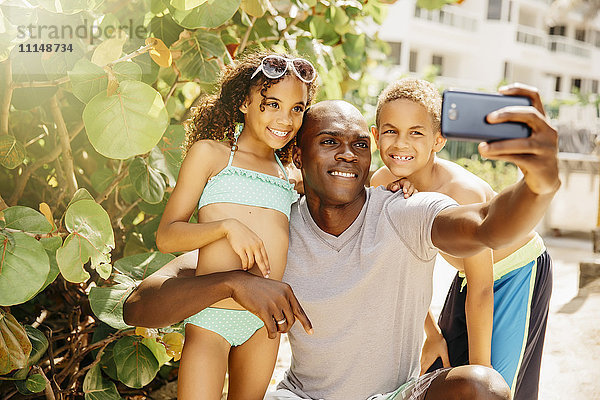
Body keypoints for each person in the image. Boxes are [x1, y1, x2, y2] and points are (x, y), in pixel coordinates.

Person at [124, 85, 559, 400]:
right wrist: (233, 283)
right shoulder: (275, 228)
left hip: (396, 396)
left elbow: (485, 225)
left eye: (359, 145)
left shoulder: (401, 210)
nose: (348, 154)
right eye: (329, 142)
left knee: (481, 388)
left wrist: (538, 185)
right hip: (302, 398)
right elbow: (140, 304)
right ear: (296, 156)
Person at [370, 79, 552, 400]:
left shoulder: (461, 192)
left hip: (516, 273)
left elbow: (483, 289)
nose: (401, 144)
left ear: (438, 140)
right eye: (390, 131)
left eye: (416, 132)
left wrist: (481, 376)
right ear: (375, 136)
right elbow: (399, 270)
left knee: (497, 385)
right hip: (469, 277)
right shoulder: (382, 184)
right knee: (443, 370)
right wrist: (432, 333)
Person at [154, 50, 317, 399]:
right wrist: (226, 227)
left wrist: (398, 183)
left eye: (296, 108)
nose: (285, 119)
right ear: (244, 102)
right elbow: (167, 236)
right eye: (272, 104)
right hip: (211, 320)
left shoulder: (288, 175)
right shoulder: (212, 155)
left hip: (263, 324)